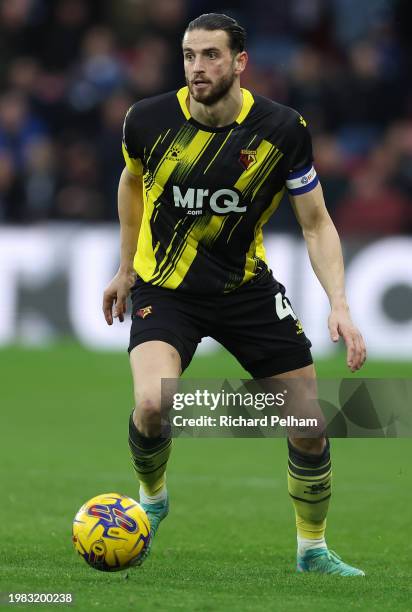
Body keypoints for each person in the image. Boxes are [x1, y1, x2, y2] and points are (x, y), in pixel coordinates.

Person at [103, 13, 367, 576]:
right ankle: (153, 495)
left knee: (309, 425)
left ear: (240, 62)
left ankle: (312, 549)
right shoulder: (146, 120)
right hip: (166, 288)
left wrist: (339, 304)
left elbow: (317, 224)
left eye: (211, 56)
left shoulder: (282, 130)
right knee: (152, 405)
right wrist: (125, 268)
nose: (198, 68)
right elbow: (130, 182)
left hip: (244, 289)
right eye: (190, 55)